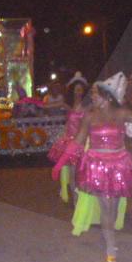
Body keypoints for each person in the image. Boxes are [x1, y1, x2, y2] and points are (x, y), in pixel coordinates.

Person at [52, 73, 132, 262]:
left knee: (113, 207)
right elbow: (78, 142)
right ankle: (110, 244)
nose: (93, 97)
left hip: (118, 164)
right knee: (105, 206)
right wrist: (59, 163)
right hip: (96, 164)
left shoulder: (121, 112)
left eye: (96, 94)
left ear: (107, 96)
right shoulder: (89, 116)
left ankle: (109, 233)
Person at [47, 71, 89, 202]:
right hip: (69, 143)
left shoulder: (88, 107)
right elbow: (51, 105)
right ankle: (76, 201)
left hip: (81, 143)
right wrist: (32, 102)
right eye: (76, 90)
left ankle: (81, 201)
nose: (78, 92)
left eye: (80, 90)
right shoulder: (69, 106)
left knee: (80, 175)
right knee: (71, 173)